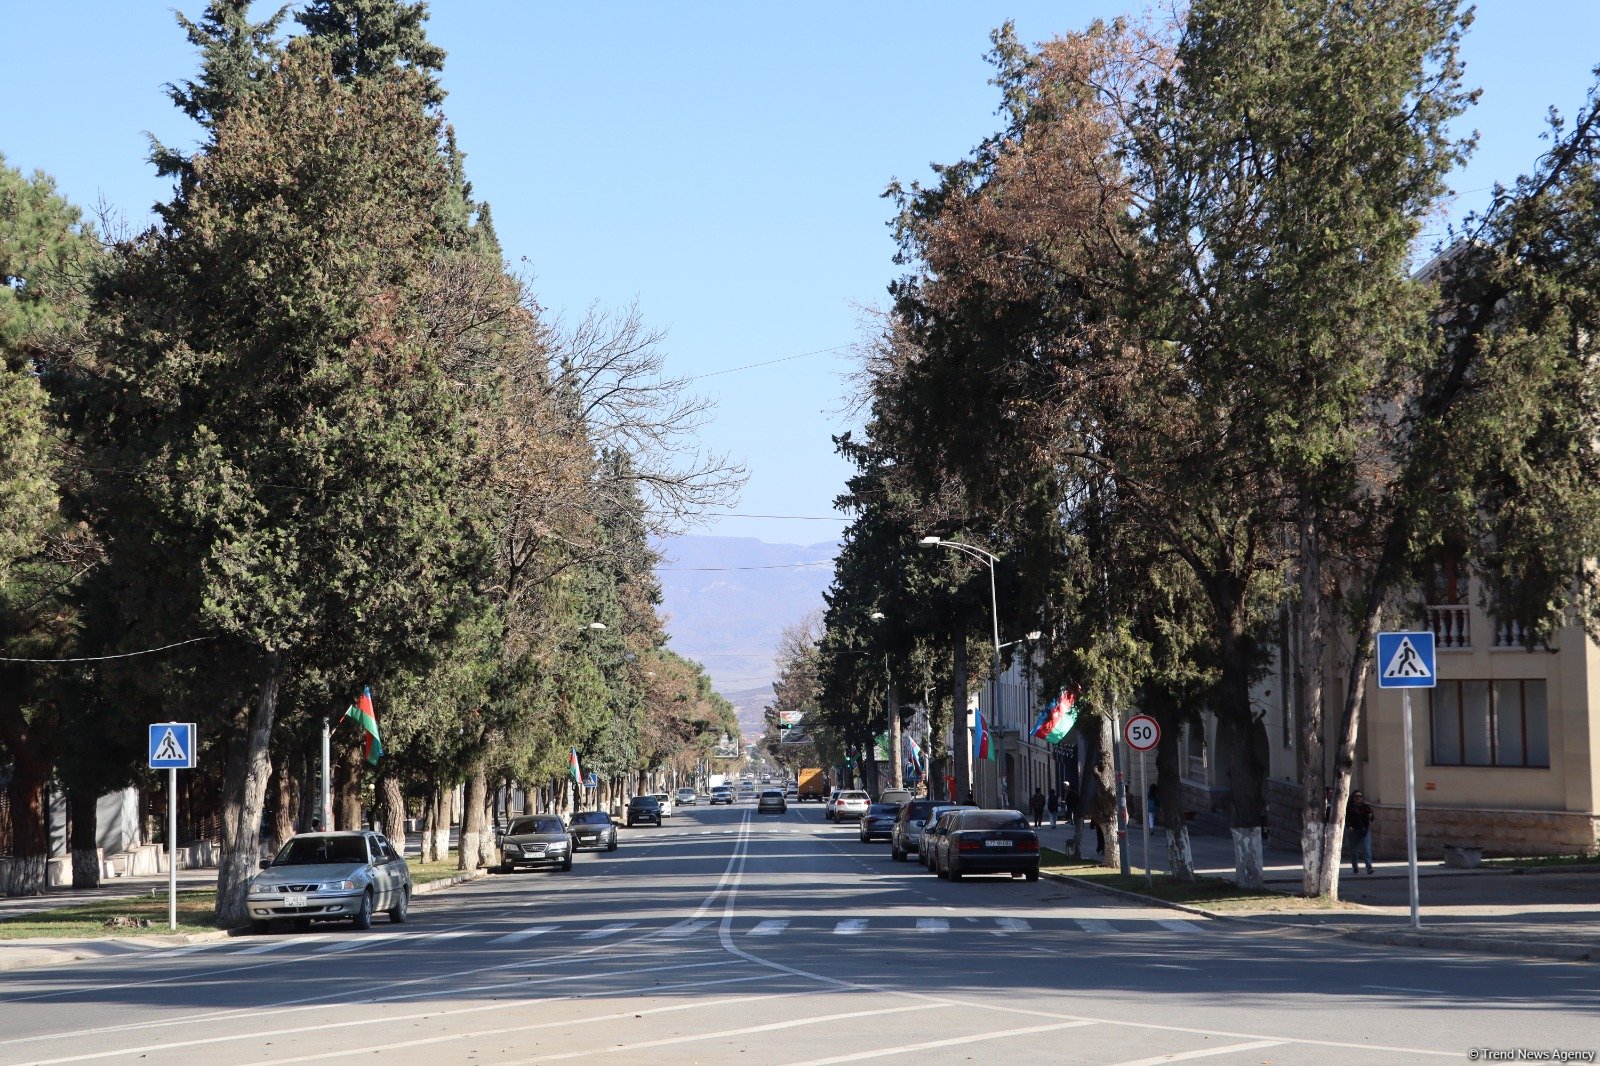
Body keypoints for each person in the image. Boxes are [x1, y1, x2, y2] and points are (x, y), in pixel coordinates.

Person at [1347, 790, 1375, 875]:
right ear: (1353, 798)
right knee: (1354, 850)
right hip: (1354, 830)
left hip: (1364, 830)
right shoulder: (1349, 808)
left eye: (1360, 796)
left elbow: (1371, 818)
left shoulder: (1366, 807)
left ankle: (1369, 866)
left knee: (1366, 849)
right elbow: (1346, 818)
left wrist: (1371, 816)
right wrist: (1349, 826)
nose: (1358, 798)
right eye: (1356, 796)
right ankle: (1355, 867)